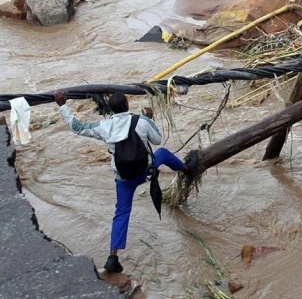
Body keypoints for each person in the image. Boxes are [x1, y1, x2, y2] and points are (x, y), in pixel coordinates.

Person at [54, 90, 196, 274]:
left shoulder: (105, 126)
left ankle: (113, 257)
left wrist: (62, 105)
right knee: (162, 153)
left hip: (124, 180)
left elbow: (77, 127)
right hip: (145, 171)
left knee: (121, 214)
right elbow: (157, 139)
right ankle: (187, 170)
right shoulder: (141, 121)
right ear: (128, 106)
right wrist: (150, 118)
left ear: (111, 110)